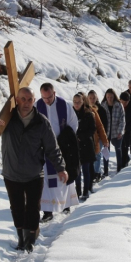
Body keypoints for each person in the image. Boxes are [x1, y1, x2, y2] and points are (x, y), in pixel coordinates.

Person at [0, 87, 67, 253]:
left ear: (34, 100)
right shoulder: (8, 119)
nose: (26, 103)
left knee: (33, 208)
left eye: (30, 99)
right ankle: (21, 238)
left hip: (34, 174)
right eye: (23, 99)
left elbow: (52, 148)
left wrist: (61, 168)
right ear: (17, 100)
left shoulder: (41, 122)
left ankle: (29, 241)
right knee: (16, 208)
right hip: (11, 173)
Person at [36, 83, 79, 222]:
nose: (46, 101)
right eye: (44, 97)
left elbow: (73, 123)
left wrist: (66, 139)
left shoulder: (64, 106)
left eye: (49, 97)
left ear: (54, 93)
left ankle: (65, 205)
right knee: (46, 180)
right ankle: (47, 211)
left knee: (63, 177)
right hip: (44, 150)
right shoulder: (37, 106)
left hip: (62, 148)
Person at [72, 93, 96, 200]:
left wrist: (81, 136)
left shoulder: (88, 114)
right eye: (75, 102)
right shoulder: (71, 113)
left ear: (83, 102)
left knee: (86, 169)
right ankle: (77, 191)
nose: (76, 104)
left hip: (86, 144)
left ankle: (86, 190)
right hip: (75, 146)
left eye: (79, 102)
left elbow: (92, 129)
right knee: (77, 170)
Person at [101, 88, 126, 176]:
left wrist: (120, 131)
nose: (109, 99)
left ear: (114, 97)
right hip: (106, 132)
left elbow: (122, 119)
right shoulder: (103, 105)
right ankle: (105, 170)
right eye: (108, 97)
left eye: (111, 97)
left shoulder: (119, 105)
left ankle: (119, 168)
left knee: (118, 150)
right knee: (106, 151)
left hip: (116, 131)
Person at [87, 90, 108, 182]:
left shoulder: (101, 109)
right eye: (90, 98)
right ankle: (94, 172)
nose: (92, 100)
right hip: (90, 136)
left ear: (97, 98)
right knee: (91, 155)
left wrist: (104, 137)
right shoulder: (86, 109)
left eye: (93, 98)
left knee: (98, 154)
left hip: (98, 136)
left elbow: (103, 125)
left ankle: (97, 173)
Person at [120, 91, 131, 169]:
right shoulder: (118, 106)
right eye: (122, 101)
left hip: (128, 131)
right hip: (119, 130)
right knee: (120, 146)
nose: (123, 103)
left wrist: (126, 128)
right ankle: (124, 159)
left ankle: (124, 164)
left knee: (125, 146)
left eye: (125, 102)